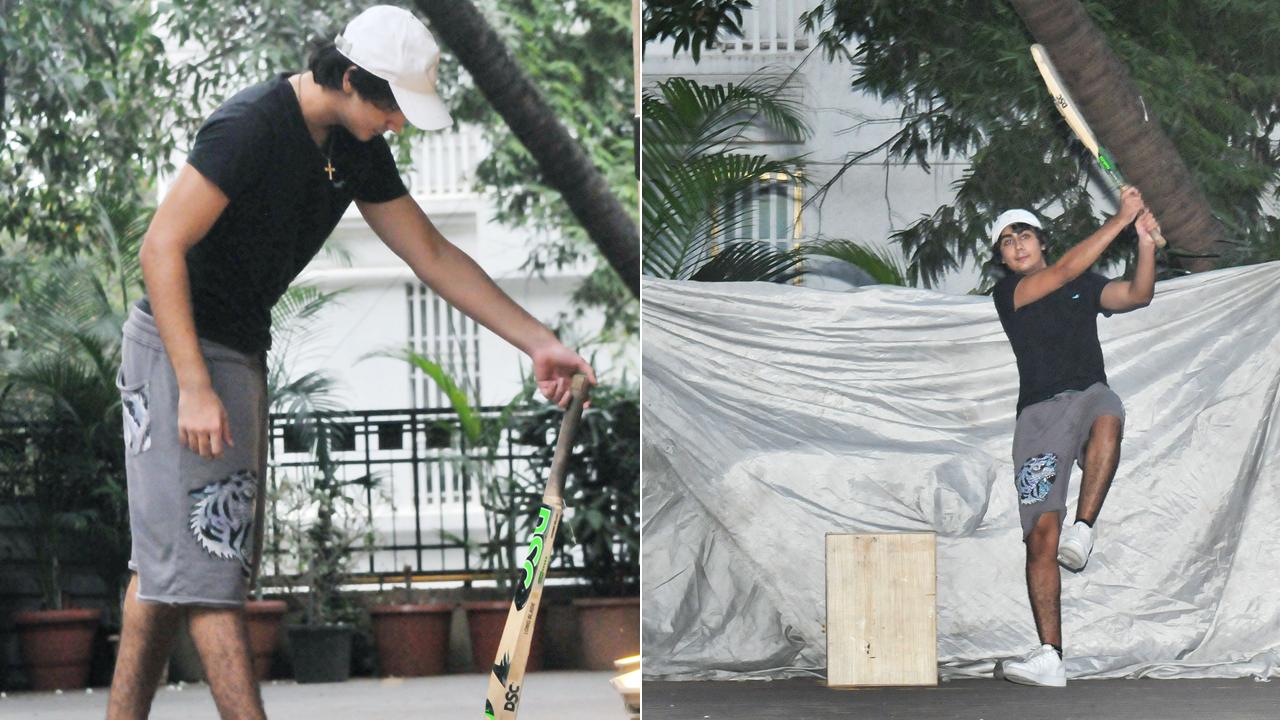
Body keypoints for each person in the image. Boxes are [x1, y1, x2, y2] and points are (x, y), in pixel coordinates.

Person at [106, 6, 594, 719]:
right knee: (210, 569)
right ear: (349, 78)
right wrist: (193, 385)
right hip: (175, 351)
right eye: (391, 107)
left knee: (170, 568)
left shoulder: (353, 145)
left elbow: (431, 254)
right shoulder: (249, 127)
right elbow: (160, 248)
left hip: (237, 348)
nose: (397, 124)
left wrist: (536, 339)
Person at [989, 187, 1159, 687]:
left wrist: (1144, 240)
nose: (1016, 245)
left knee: (1108, 409)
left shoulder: (1083, 284)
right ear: (1003, 259)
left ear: (1041, 240)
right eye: (1006, 242)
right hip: (1038, 420)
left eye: (1023, 235)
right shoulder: (1010, 295)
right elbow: (1061, 272)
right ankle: (1050, 657)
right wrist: (1121, 219)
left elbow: (1137, 295)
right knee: (1040, 538)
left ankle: (1083, 528)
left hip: (1085, 395)